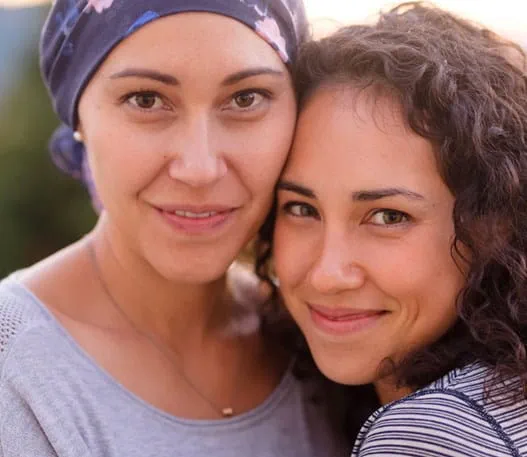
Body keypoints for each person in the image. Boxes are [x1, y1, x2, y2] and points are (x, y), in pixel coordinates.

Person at [0, 1, 350, 456]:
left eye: (246, 98)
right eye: (145, 100)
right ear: (78, 119)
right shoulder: (17, 373)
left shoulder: (323, 336)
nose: (199, 168)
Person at [260, 3, 527, 456]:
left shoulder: (432, 435)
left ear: (492, 223)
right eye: (302, 208)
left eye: (388, 216)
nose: (327, 273)